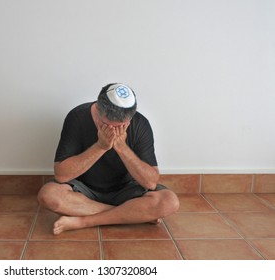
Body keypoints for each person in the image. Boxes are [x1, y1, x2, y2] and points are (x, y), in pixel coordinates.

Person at [37, 83, 179, 235]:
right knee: (48, 195)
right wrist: (101, 146)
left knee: (169, 201)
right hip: (84, 192)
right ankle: (133, 215)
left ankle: (84, 222)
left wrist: (121, 146)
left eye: (121, 126)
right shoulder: (77, 117)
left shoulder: (140, 124)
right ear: (98, 109)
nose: (114, 131)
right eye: (107, 126)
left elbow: (150, 182)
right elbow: (61, 174)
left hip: (127, 191)